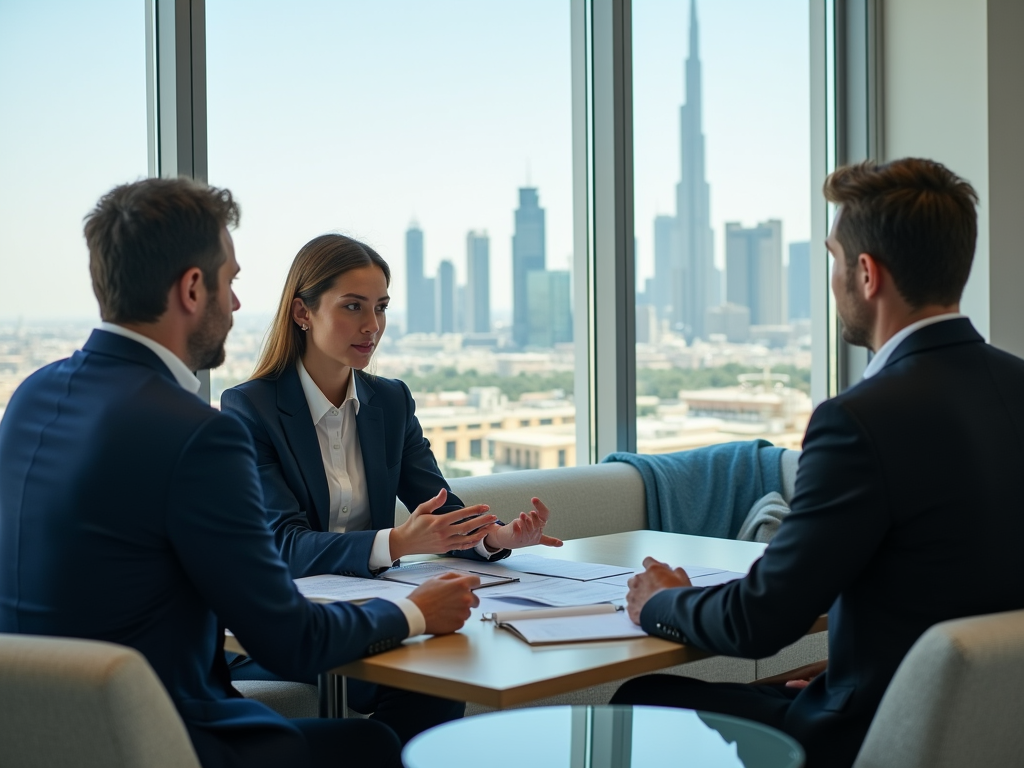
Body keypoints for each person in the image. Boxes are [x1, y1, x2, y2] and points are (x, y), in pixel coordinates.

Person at [0, 177, 483, 768]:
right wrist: (417, 611)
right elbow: (286, 638)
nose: (234, 304)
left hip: (36, 736)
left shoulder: (31, 397)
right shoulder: (197, 432)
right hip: (159, 740)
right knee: (376, 744)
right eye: (229, 283)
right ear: (192, 288)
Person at [610, 158, 1024, 767]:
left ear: (865, 273)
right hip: (995, 729)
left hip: (874, 738)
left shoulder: (859, 420)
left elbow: (762, 619)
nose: (831, 280)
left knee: (642, 698)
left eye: (832, 258)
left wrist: (661, 601)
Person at [221, 233, 562, 742]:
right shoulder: (251, 409)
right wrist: (399, 543)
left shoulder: (391, 402)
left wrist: (495, 539)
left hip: (369, 609)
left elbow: (441, 509)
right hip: (281, 624)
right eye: (353, 306)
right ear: (302, 313)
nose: (372, 326)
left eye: (380, 307)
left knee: (443, 671)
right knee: (428, 673)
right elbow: (284, 547)